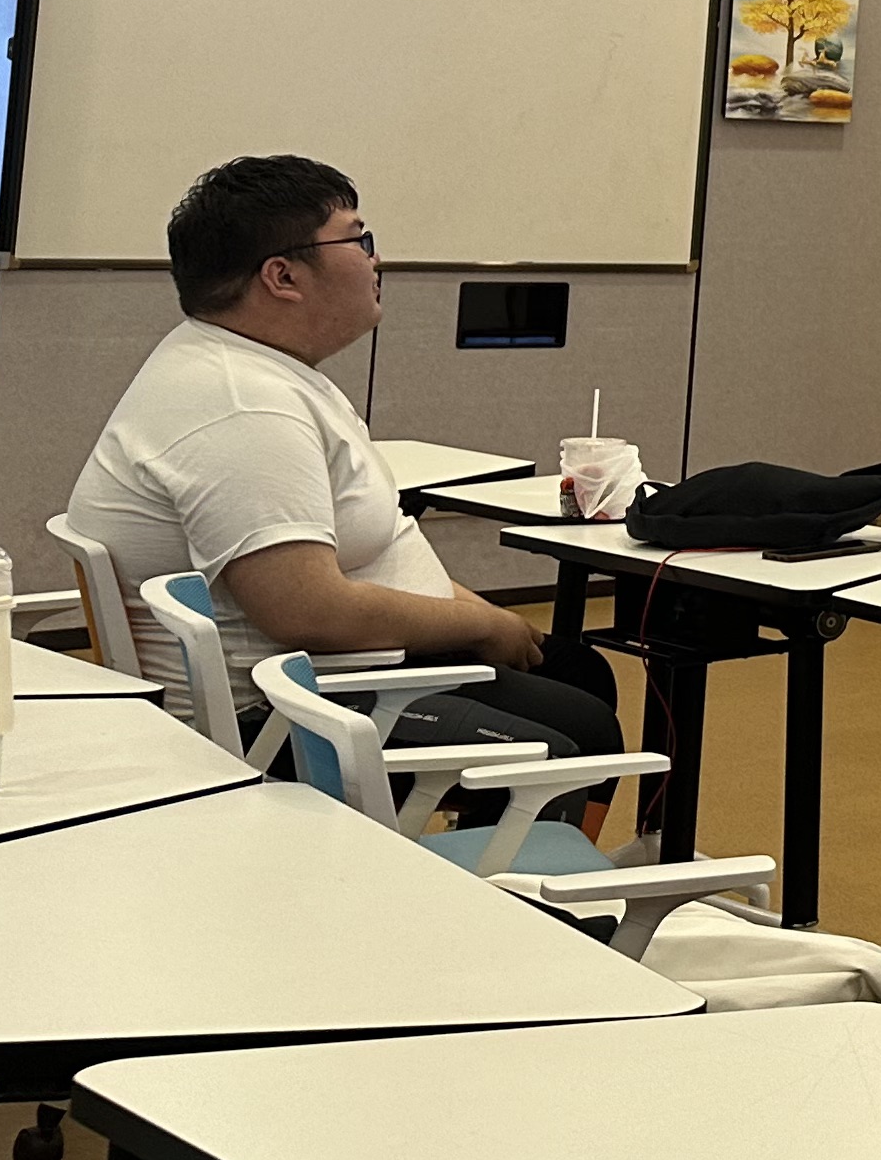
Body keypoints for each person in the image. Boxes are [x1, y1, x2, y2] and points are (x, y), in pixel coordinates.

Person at [62, 154, 627, 773]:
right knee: (579, 730)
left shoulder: (254, 366)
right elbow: (305, 610)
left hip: (331, 669)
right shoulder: (243, 404)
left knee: (579, 670)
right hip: (279, 710)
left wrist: (481, 617)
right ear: (283, 276)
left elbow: (370, 559)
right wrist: (481, 627)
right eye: (358, 241)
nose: (375, 260)